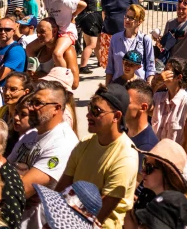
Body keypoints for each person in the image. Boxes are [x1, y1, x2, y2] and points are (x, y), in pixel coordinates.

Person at [54, 84, 139, 229]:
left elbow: (99, 213)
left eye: (96, 111)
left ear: (116, 116)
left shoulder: (126, 157)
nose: (88, 115)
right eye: (89, 109)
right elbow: (61, 189)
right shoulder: (85, 143)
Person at [14, 80, 79, 228]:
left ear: (56, 108)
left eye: (37, 103)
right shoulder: (30, 135)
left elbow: (22, 190)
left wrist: (18, 178)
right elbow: (1, 171)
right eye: (31, 102)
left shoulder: (63, 142)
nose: (30, 108)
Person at [107, 3, 155, 83]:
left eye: (131, 18)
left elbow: (150, 67)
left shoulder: (145, 40)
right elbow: (110, 68)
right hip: (118, 85)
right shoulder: (115, 38)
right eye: (126, 16)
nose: (127, 20)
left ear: (140, 21)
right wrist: (107, 88)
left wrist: (148, 85)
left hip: (138, 86)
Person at [156, 0, 187, 69]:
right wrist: (159, 42)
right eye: (179, 8)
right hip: (170, 63)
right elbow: (165, 44)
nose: (180, 11)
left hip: (184, 63)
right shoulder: (170, 23)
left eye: (184, 9)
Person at [0, 19, 26, 85]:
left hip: (5, 90)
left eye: (7, 29)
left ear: (13, 31)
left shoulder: (16, 50)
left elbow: (0, 75)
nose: (2, 32)